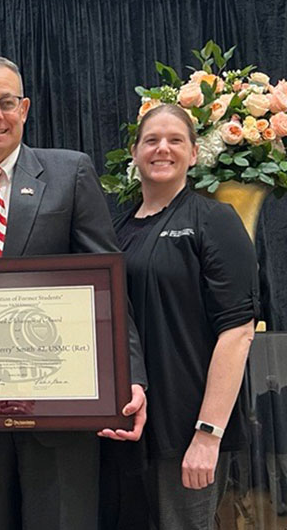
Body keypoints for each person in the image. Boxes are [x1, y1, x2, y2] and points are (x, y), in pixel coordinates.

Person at [0, 55, 148, 530]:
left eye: (6, 102)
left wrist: (129, 375)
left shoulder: (70, 173)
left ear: (25, 108)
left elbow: (109, 290)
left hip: (61, 413)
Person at [110, 103, 256, 529]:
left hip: (188, 429)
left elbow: (238, 332)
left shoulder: (214, 219)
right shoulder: (117, 231)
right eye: (151, 140)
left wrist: (207, 435)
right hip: (131, 431)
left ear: (194, 154)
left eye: (176, 140)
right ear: (134, 152)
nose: (163, 149)